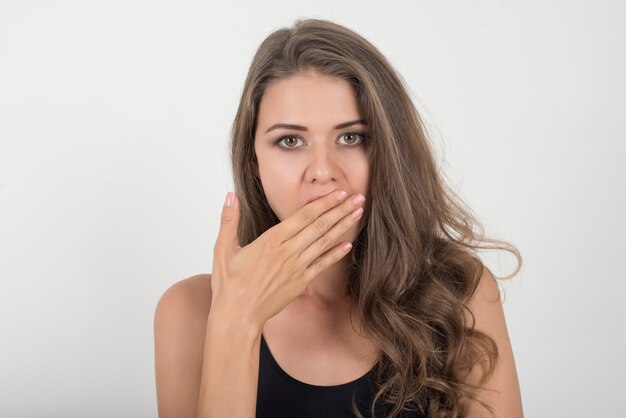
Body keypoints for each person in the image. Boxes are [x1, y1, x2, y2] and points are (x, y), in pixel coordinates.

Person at [154, 18, 524, 418]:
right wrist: (235, 321)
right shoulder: (189, 311)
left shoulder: (458, 292)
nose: (322, 171)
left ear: (388, 152)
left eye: (352, 137)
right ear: (253, 162)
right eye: (290, 141)